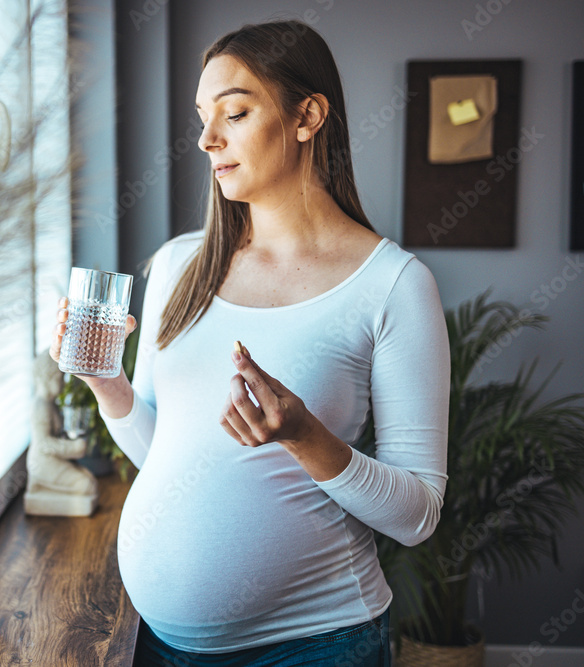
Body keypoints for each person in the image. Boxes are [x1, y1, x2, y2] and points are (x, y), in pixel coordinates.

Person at [49, 20, 448, 667]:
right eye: (203, 117)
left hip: (317, 645)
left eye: (234, 112)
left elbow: (418, 515)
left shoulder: (394, 285)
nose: (207, 139)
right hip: (159, 643)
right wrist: (107, 383)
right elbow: (164, 456)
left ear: (307, 116)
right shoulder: (181, 264)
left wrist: (304, 435)